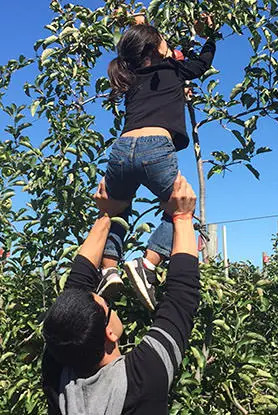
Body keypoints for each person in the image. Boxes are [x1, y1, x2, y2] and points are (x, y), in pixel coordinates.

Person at [41, 174, 200, 415]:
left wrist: (106, 215)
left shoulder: (59, 375)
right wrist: (184, 215)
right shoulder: (142, 377)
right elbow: (181, 298)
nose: (106, 299)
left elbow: (76, 289)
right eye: (106, 306)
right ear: (110, 333)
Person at [97, 16, 218, 311]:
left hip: (121, 149)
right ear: (156, 49)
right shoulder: (174, 68)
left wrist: (141, 26)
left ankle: (108, 270)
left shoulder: (130, 74)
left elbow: (145, 46)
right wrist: (211, 34)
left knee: (116, 211)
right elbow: (202, 63)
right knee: (182, 209)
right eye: (163, 39)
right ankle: (147, 265)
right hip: (155, 147)